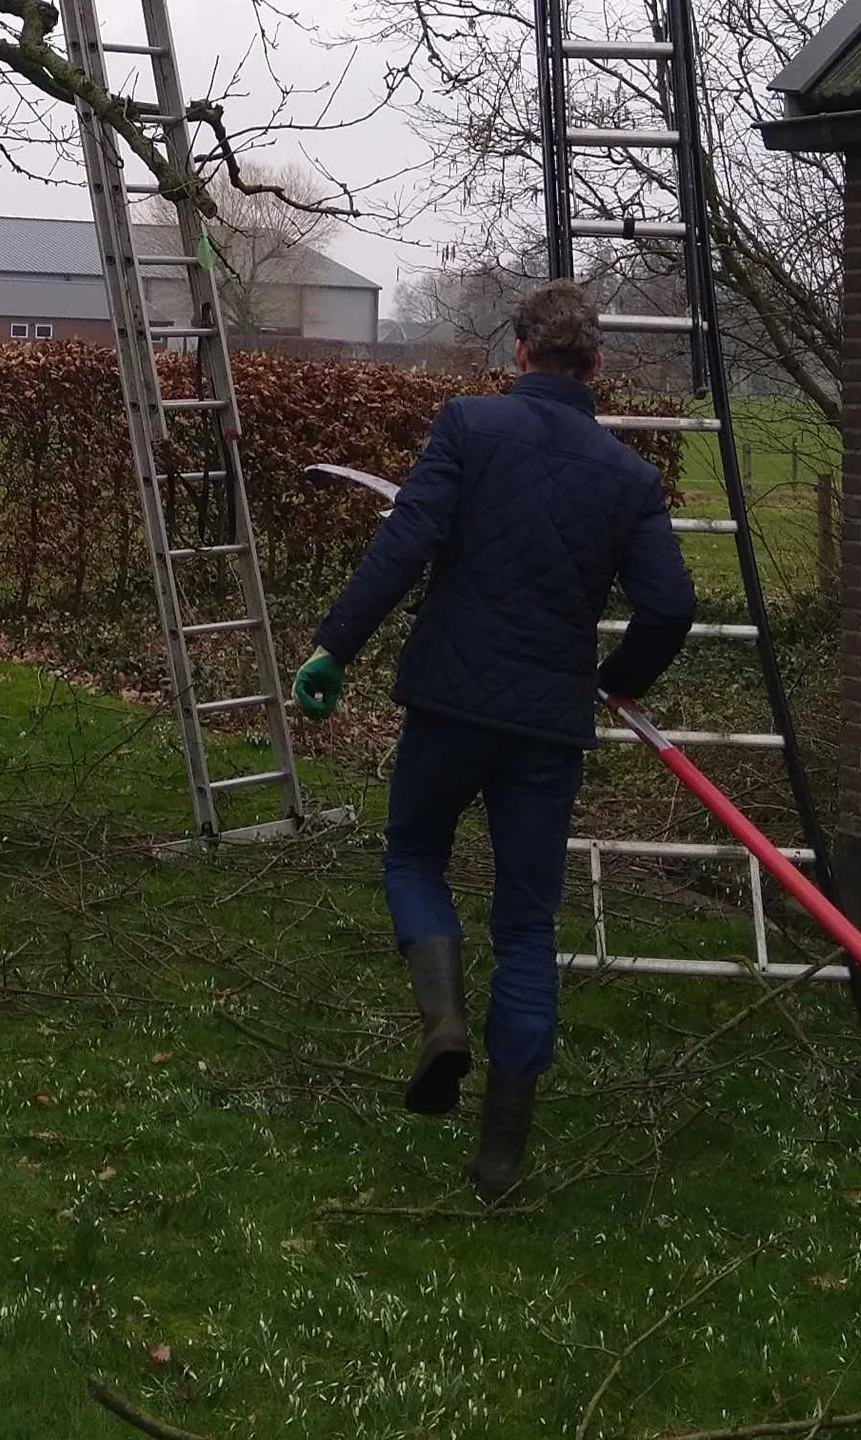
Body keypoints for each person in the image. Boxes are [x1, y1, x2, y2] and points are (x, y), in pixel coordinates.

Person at [288, 278, 692, 1204]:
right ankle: (501, 1158)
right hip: (548, 726)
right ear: (597, 368)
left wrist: (333, 648)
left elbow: (405, 544)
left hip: (449, 703)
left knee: (415, 855)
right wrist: (619, 681)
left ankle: (441, 1023)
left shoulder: (468, 426)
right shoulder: (628, 478)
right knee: (524, 929)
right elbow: (670, 605)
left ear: (517, 356)